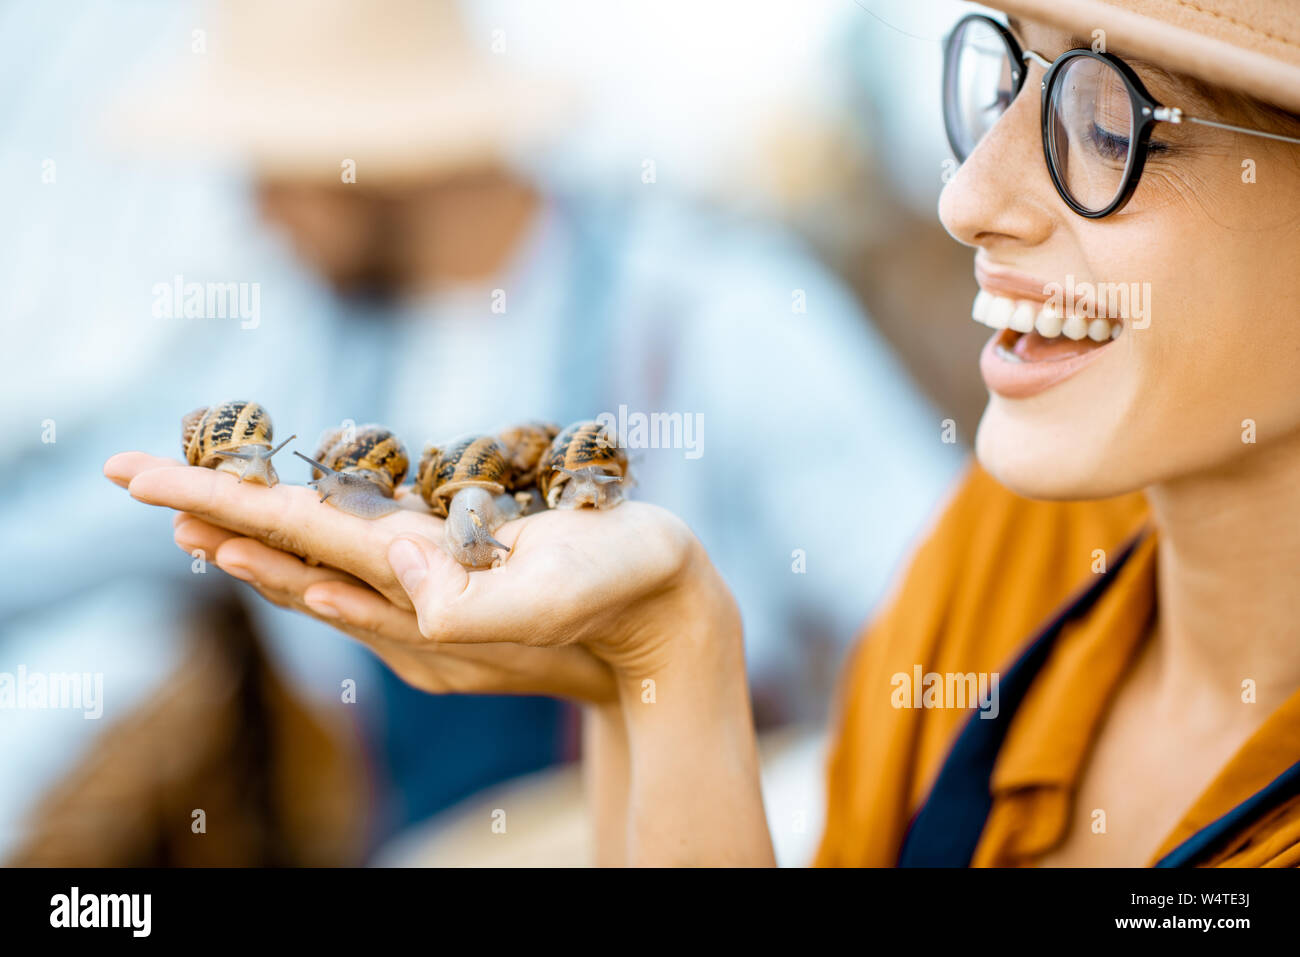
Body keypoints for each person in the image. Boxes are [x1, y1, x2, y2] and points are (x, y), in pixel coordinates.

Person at [103, 0, 1300, 866]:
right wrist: (656, 668)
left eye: (1108, 123)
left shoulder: (712, 317)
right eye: (1005, 81)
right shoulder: (1005, 561)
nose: (965, 198)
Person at [5, 0, 958, 855]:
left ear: (368, 155)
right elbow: (70, 523)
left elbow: (944, 603)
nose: (252, 210)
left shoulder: (714, 316)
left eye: (268, 162)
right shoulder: (290, 350)